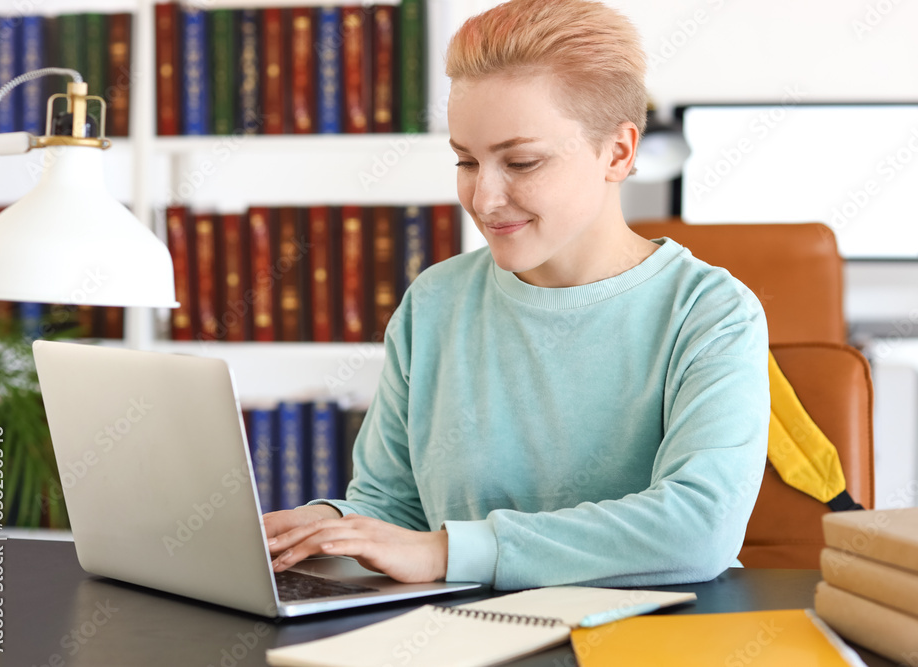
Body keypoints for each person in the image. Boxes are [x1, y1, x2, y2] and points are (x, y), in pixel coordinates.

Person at [265, 0, 769, 590]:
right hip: (460, 636)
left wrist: (447, 553)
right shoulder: (435, 303)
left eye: (522, 162)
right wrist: (329, 526)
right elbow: (393, 510)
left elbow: (696, 530)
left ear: (619, 152)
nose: (483, 199)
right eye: (466, 161)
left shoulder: (710, 314)